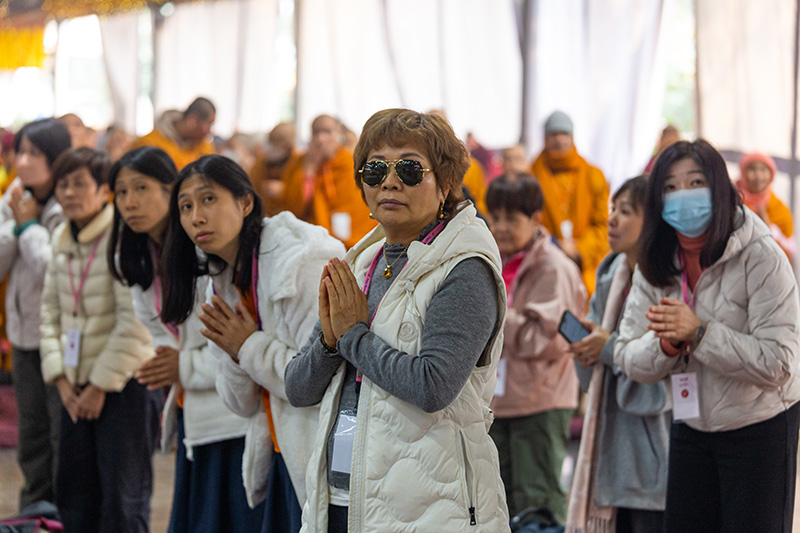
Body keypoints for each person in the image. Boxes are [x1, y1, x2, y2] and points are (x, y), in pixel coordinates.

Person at [285, 108, 510, 532]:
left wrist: (352, 336)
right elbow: (298, 388)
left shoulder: (465, 268)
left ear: (445, 184)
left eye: (409, 169)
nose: (389, 182)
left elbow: (432, 385)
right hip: (344, 499)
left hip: (430, 507)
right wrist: (331, 344)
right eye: (375, 170)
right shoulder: (360, 262)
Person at [615, 140, 800, 532]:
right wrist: (667, 344)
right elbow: (627, 354)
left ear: (719, 187)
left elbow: (780, 363)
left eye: (695, 182)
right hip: (691, 422)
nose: (683, 195)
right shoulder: (655, 261)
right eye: (670, 187)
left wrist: (699, 333)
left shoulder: (762, 256)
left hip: (759, 424)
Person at [159, 154, 344, 533]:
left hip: (325, 448)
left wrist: (247, 347)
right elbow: (241, 402)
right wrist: (236, 350)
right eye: (186, 207)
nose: (197, 217)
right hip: (280, 447)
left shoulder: (300, 263)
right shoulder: (221, 279)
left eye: (209, 199)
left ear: (245, 203)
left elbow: (320, 381)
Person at [107, 146, 264, 532]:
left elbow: (240, 343)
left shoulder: (208, 251)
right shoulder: (139, 262)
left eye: (141, 188)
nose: (130, 203)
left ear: (169, 189)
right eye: (121, 192)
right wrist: (180, 365)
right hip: (195, 419)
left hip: (236, 418)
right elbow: (166, 347)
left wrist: (184, 365)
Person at [38, 147, 159, 532]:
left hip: (123, 385)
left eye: (79, 184)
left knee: (123, 498)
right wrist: (60, 378)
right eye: (62, 185)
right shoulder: (60, 237)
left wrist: (99, 386)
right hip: (73, 388)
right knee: (74, 494)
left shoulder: (124, 238)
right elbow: (49, 312)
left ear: (103, 190)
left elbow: (136, 323)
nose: (69, 193)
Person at [566, 176, 670, 533]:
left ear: (652, 221)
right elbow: (593, 375)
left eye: (625, 212)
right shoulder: (610, 274)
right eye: (613, 209)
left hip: (651, 454)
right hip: (610, 450)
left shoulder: (667, 283)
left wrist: (608, 348)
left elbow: (658, 375)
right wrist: (587, 350)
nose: (611, 220)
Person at [485, 174, 586, 522]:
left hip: (541, 401)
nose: (501, 227)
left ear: (536, 219)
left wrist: (494, 315)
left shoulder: (554, 267)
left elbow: (548, 339)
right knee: (498, 502)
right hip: (498, 401)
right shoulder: (492, 259)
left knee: (537, 503)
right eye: (495, 217)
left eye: (512, 218)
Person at [0, 118, 71, 510]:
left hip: (61, 337)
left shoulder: (69, 202)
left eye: (34, 153)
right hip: (24, 334)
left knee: (61, 431)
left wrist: (27, 226)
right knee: (31, 433)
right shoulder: (15, 196)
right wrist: (16, 227)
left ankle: (64, 509)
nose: (22, 161)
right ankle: (34, 509)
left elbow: (54, 271)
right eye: (20, 152)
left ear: (56, 159)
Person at [531, 110, 609, 294]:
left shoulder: (593, 175)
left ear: (572, 138)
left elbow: (602, 225)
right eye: (553, 134)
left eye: (564, 133)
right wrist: (555, 245)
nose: (559, 139)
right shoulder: (531, 175)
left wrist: (579, 250)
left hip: (586, 265)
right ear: (545, 138)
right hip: (544, 264)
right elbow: (528, 224)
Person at [278, 114, 375, 248]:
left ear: (338, 134)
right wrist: (309, 169)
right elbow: (293, 208)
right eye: (316, 132)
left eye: (327, 132)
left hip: (350, 235)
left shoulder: (350, 163)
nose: (321, 139)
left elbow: (357, 207)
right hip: (313, 238)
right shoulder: (298, 163)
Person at [736, 152, 794, 261]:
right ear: (743, 172)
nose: (758, 175)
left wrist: (768, 229)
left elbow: (788, 252)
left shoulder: (779, 208)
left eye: (763, 170)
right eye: (752, 169)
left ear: (771, 174)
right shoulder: (732, 201)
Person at [132, 97, 216, 170]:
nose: (209, 132)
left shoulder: (204, 146)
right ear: (192, 119)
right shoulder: (148, 143)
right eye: (209, 124)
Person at [249, 122, 297, 216]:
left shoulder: (298, 162)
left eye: (276, 140)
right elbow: (251, 186)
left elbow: (304, 194)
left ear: (288, 144)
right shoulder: (261, 161)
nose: (270, 145)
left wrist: (284, 191)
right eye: (270, 140)